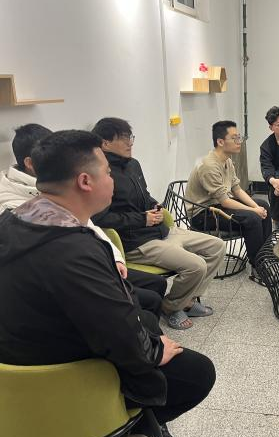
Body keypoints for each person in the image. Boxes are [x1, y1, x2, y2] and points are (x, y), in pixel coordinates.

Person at [0, 130, 215, 437]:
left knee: (146, 315)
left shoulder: (14, 220)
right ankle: (134, 431)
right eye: (108, 172)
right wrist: (155, 351)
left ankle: (145, 426)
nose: (113, 179)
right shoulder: (74, 251)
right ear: (85, 181)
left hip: (17, 362)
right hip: (62, 373)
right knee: (198, 373)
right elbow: (118, 332)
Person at [0, 123, 167, 318]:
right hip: (62, 286)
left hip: (91, 265)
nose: (111, 179)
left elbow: (88, 225)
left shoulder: (60, 198)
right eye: (107, 173)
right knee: (144, 307)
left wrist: (115, 258)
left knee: (154, 289)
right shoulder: (15, 207)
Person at [92, 117, 225, 331]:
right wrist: (142, 219)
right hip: (136, 242)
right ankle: (171, 307)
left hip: (160, 231)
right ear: (105, 143)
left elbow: (144, 195)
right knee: (196, 266)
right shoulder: (100, 174)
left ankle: (187, 301)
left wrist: (155, 205)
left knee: (217, 246)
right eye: (124, 138)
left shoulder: (133, 164)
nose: (130, 143)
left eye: (130, 137)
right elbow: (100, 218)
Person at [186, 120, 272, 284]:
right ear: (220, 142)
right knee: (252, 218)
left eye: (239, 137)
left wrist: (256, 207)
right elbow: (225, 201)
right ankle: (257, 267)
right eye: (235, 138)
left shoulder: (227, 160)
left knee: (263, 205)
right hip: (202, 213)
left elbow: (237, 189)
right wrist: (254, 211)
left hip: (217, 205)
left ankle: (264, 257)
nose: (239, 141)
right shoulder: (209, 165)